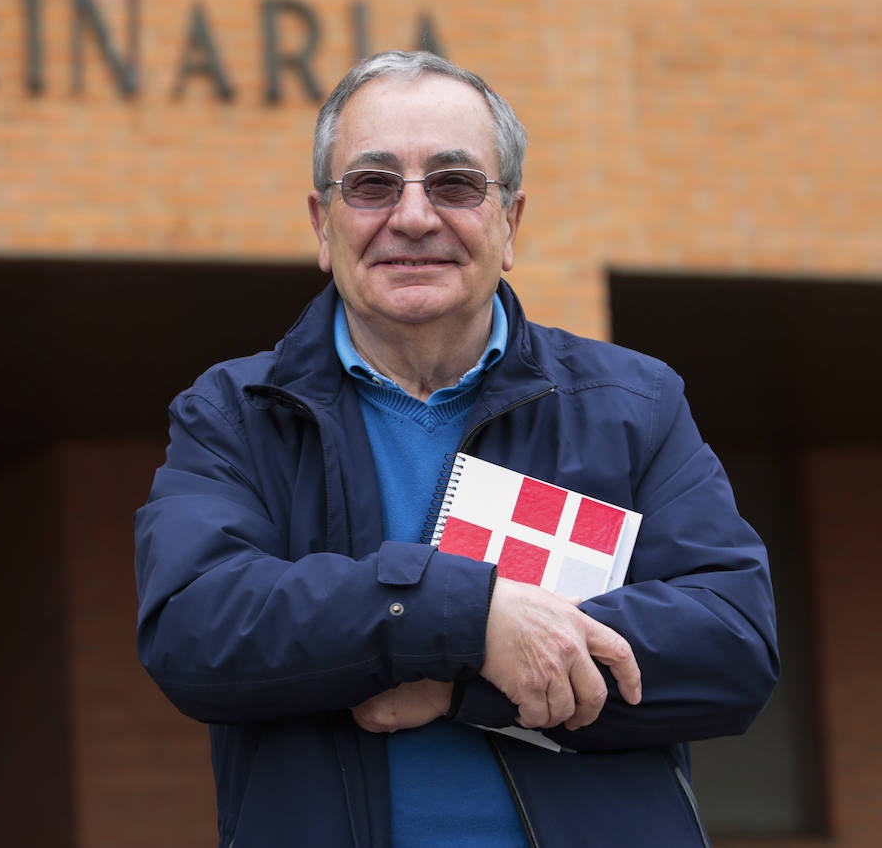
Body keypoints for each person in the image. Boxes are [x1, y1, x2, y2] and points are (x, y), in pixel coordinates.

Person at [134, 50, 779, 848]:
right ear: (321, 225)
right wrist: (462, 617)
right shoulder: (235, 413)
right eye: (372, 185)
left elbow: (732, 644)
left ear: (510, 222)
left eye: (455, 184)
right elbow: (198, 630)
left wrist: (462, 677)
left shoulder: (631, 404)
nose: (413, 217)